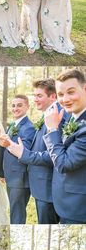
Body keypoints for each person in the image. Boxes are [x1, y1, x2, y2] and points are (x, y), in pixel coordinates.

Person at [6, 79, 66, 224]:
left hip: (48, 187)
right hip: (41, 187)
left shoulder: (59, 115)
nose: (35, 99)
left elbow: (55, 153)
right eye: (34, 95)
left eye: (39, 95)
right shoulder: (47, 114)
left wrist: (24, 154)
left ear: (53, 96)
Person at [43, 69, 86, 223]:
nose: (65, 99)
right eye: (60, 94)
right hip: (64, 203)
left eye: (71, 92)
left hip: (77, 208)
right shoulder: (70, 118)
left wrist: (52, 130)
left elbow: (64, 164)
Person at [0, 95, 35, 224]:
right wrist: (2, 172)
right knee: (14, 211)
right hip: (11, 176)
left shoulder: (28, 127)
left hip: (20, 179)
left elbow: (24, 151)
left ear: (27, 107)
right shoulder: (13, 124)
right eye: (13, 105)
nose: (15, 108)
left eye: (19, 105)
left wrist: (8, 143)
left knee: (17, 215)